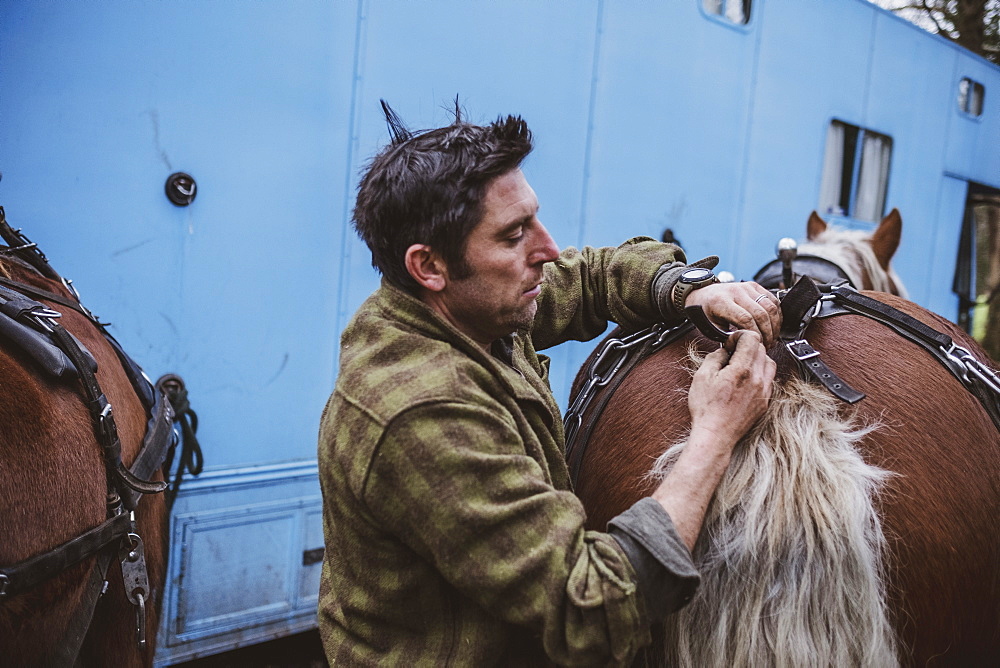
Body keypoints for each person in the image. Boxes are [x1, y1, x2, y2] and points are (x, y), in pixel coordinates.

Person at [317, 102, 780, 666]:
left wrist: (686, 289)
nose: (548, 248)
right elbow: (591, 607)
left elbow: (586, 277)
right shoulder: (423, 412)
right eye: (514, 235)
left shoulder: (467, 307)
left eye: (534, 218)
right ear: (429, 266)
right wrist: (714, 435)